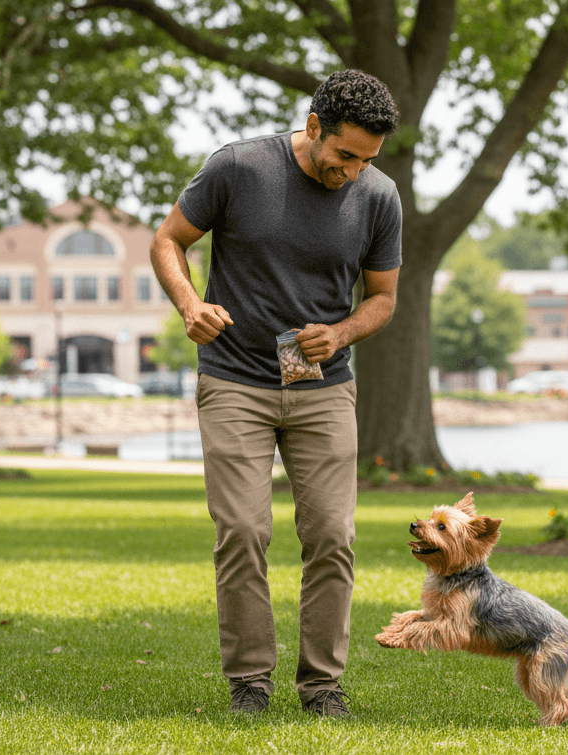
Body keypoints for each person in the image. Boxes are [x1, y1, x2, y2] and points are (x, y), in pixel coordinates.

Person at [149, 70, 402, 717]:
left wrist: (340, 333)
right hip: (234, 377)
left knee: (332, 535)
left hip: (322, 386)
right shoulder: (239, 168)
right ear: (314, 126)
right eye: (345, 154)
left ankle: (322, 686)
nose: (353, 171)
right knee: (242, 530)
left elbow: (382, 299)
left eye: (367, 160)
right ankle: (250, 683)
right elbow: (168, 240)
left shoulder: (378, 196)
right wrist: (190, 304)